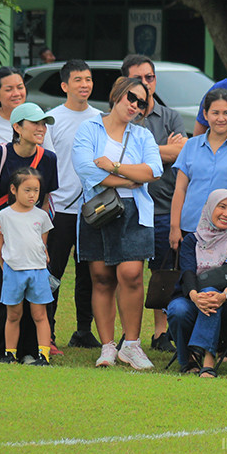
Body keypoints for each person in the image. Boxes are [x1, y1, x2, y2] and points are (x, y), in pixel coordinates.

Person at [72, 77, 162, 370]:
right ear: (117, 95)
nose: (134, 105)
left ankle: (132, 345)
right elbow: (86, 169)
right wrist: (128, 179)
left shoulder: (142, 135)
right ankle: (108, 346)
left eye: (141, 103)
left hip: (135, 210)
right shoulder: (90, 127)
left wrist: (114, 166)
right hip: (99, 208)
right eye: (131, 98)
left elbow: (153, 171)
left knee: (132, 273)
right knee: (101, 277)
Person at [0, 103, 59, 362]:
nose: (41, 128)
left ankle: (31, 353)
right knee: (3, 296)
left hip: (30, 239)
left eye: (44, 123)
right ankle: (0, 352)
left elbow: (45, 201)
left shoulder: (49, 159)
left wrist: (41, 240)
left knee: (35, 299)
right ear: (17, 127)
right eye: (35, 123)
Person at [122, 55, 188, 354]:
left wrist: (145, 153)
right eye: (138, 79)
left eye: (149, 78)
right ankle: (127, 334)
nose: (145, 84)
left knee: (163, 272)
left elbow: (178, 155)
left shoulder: (171, 116)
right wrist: (161, 150)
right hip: (128, 206)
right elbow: (121, 157)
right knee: (129, 272)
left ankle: (161, 332)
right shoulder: (122, 116)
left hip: (164, 206)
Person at [45, 60, 103, 349]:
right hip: (60, 209)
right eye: (78, 80)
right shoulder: (52, 120)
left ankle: (83, 330)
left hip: (94, 209)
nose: (85, 84)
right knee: (52, 271)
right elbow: (45, 166)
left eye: (89, 79)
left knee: (89, 273)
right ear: (65, 86)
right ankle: (48, 333)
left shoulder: (100, 119)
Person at [165, 190, 227, 377]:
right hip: (192, 296)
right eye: (222, 207)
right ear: (210, 208)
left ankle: (208, 359)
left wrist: (223, 295)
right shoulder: (192, 240)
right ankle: (187, 360)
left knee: (212, 293)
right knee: (177, 310)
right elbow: (187, 272)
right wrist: (195, 297)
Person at [170, 89, 227, 248]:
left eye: (226, 113)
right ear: (205, 114)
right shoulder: (190, 145)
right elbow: (180, 189)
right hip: (190, 226)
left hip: (225, 229)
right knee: (188, 272)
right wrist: (174, 227)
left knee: (223, 273)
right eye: (215, 113)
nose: (221, 118)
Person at [0, 168, 54, 366]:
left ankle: (43, 355)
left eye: (36, 191)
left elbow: (42, 243)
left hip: (37, 271)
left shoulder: (42, 216)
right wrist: (6, 267)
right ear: (13, 189)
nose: (32, 195)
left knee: (40, 314)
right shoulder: (4, 215)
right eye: (27, 190)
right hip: (13, 271)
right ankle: (10, 354)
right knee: (13, 315)